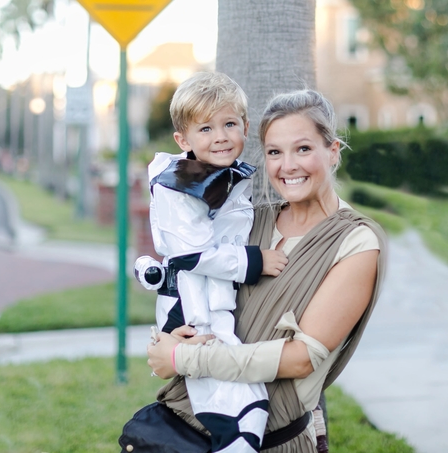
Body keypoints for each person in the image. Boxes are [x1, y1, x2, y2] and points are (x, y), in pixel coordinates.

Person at [148, 89, 388, 452]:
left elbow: (299, 359)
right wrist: (170, 336)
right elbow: (189, 276)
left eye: (303, 149)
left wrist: (182, 358)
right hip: (187, 431)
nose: (287, 166)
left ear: (333, 150)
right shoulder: (251, 223)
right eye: (275, 152)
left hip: (276, 439)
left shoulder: (355, 242)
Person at [134, 72, 288, 453]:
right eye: (206, 128)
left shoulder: (225, 176)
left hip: (212, 304)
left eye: (229, 124)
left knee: (239, 409)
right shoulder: (177, 186)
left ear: (245, 127)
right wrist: (253, 262)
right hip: (191, 309)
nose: (220, 135)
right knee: (242, 409)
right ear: (183, 140)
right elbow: (192, 253)